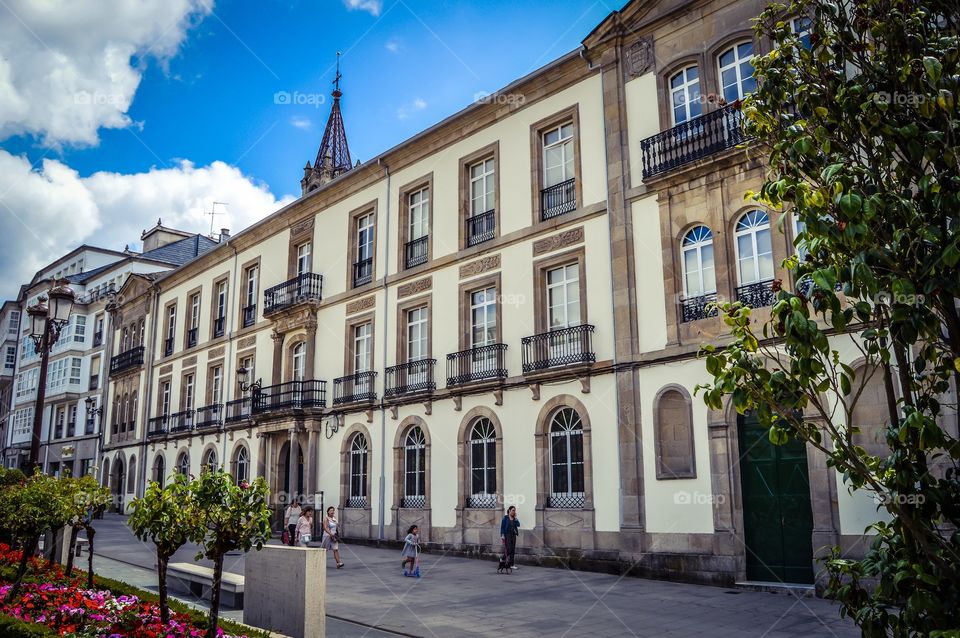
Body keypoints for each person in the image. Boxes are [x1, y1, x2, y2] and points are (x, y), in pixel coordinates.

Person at [500, 506, 521, 570]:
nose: (514, 512)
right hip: (507, 535)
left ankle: (512, 564)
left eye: (514, 510)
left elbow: (518, 525)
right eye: (513, 510)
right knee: (509, 549)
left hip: (513, 535)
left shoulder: (514, 518)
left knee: (513, 550)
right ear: (509, 510)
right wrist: (502, 535)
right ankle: (502, 558)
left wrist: (516, 518)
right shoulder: (505, 518)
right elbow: (502, 527)